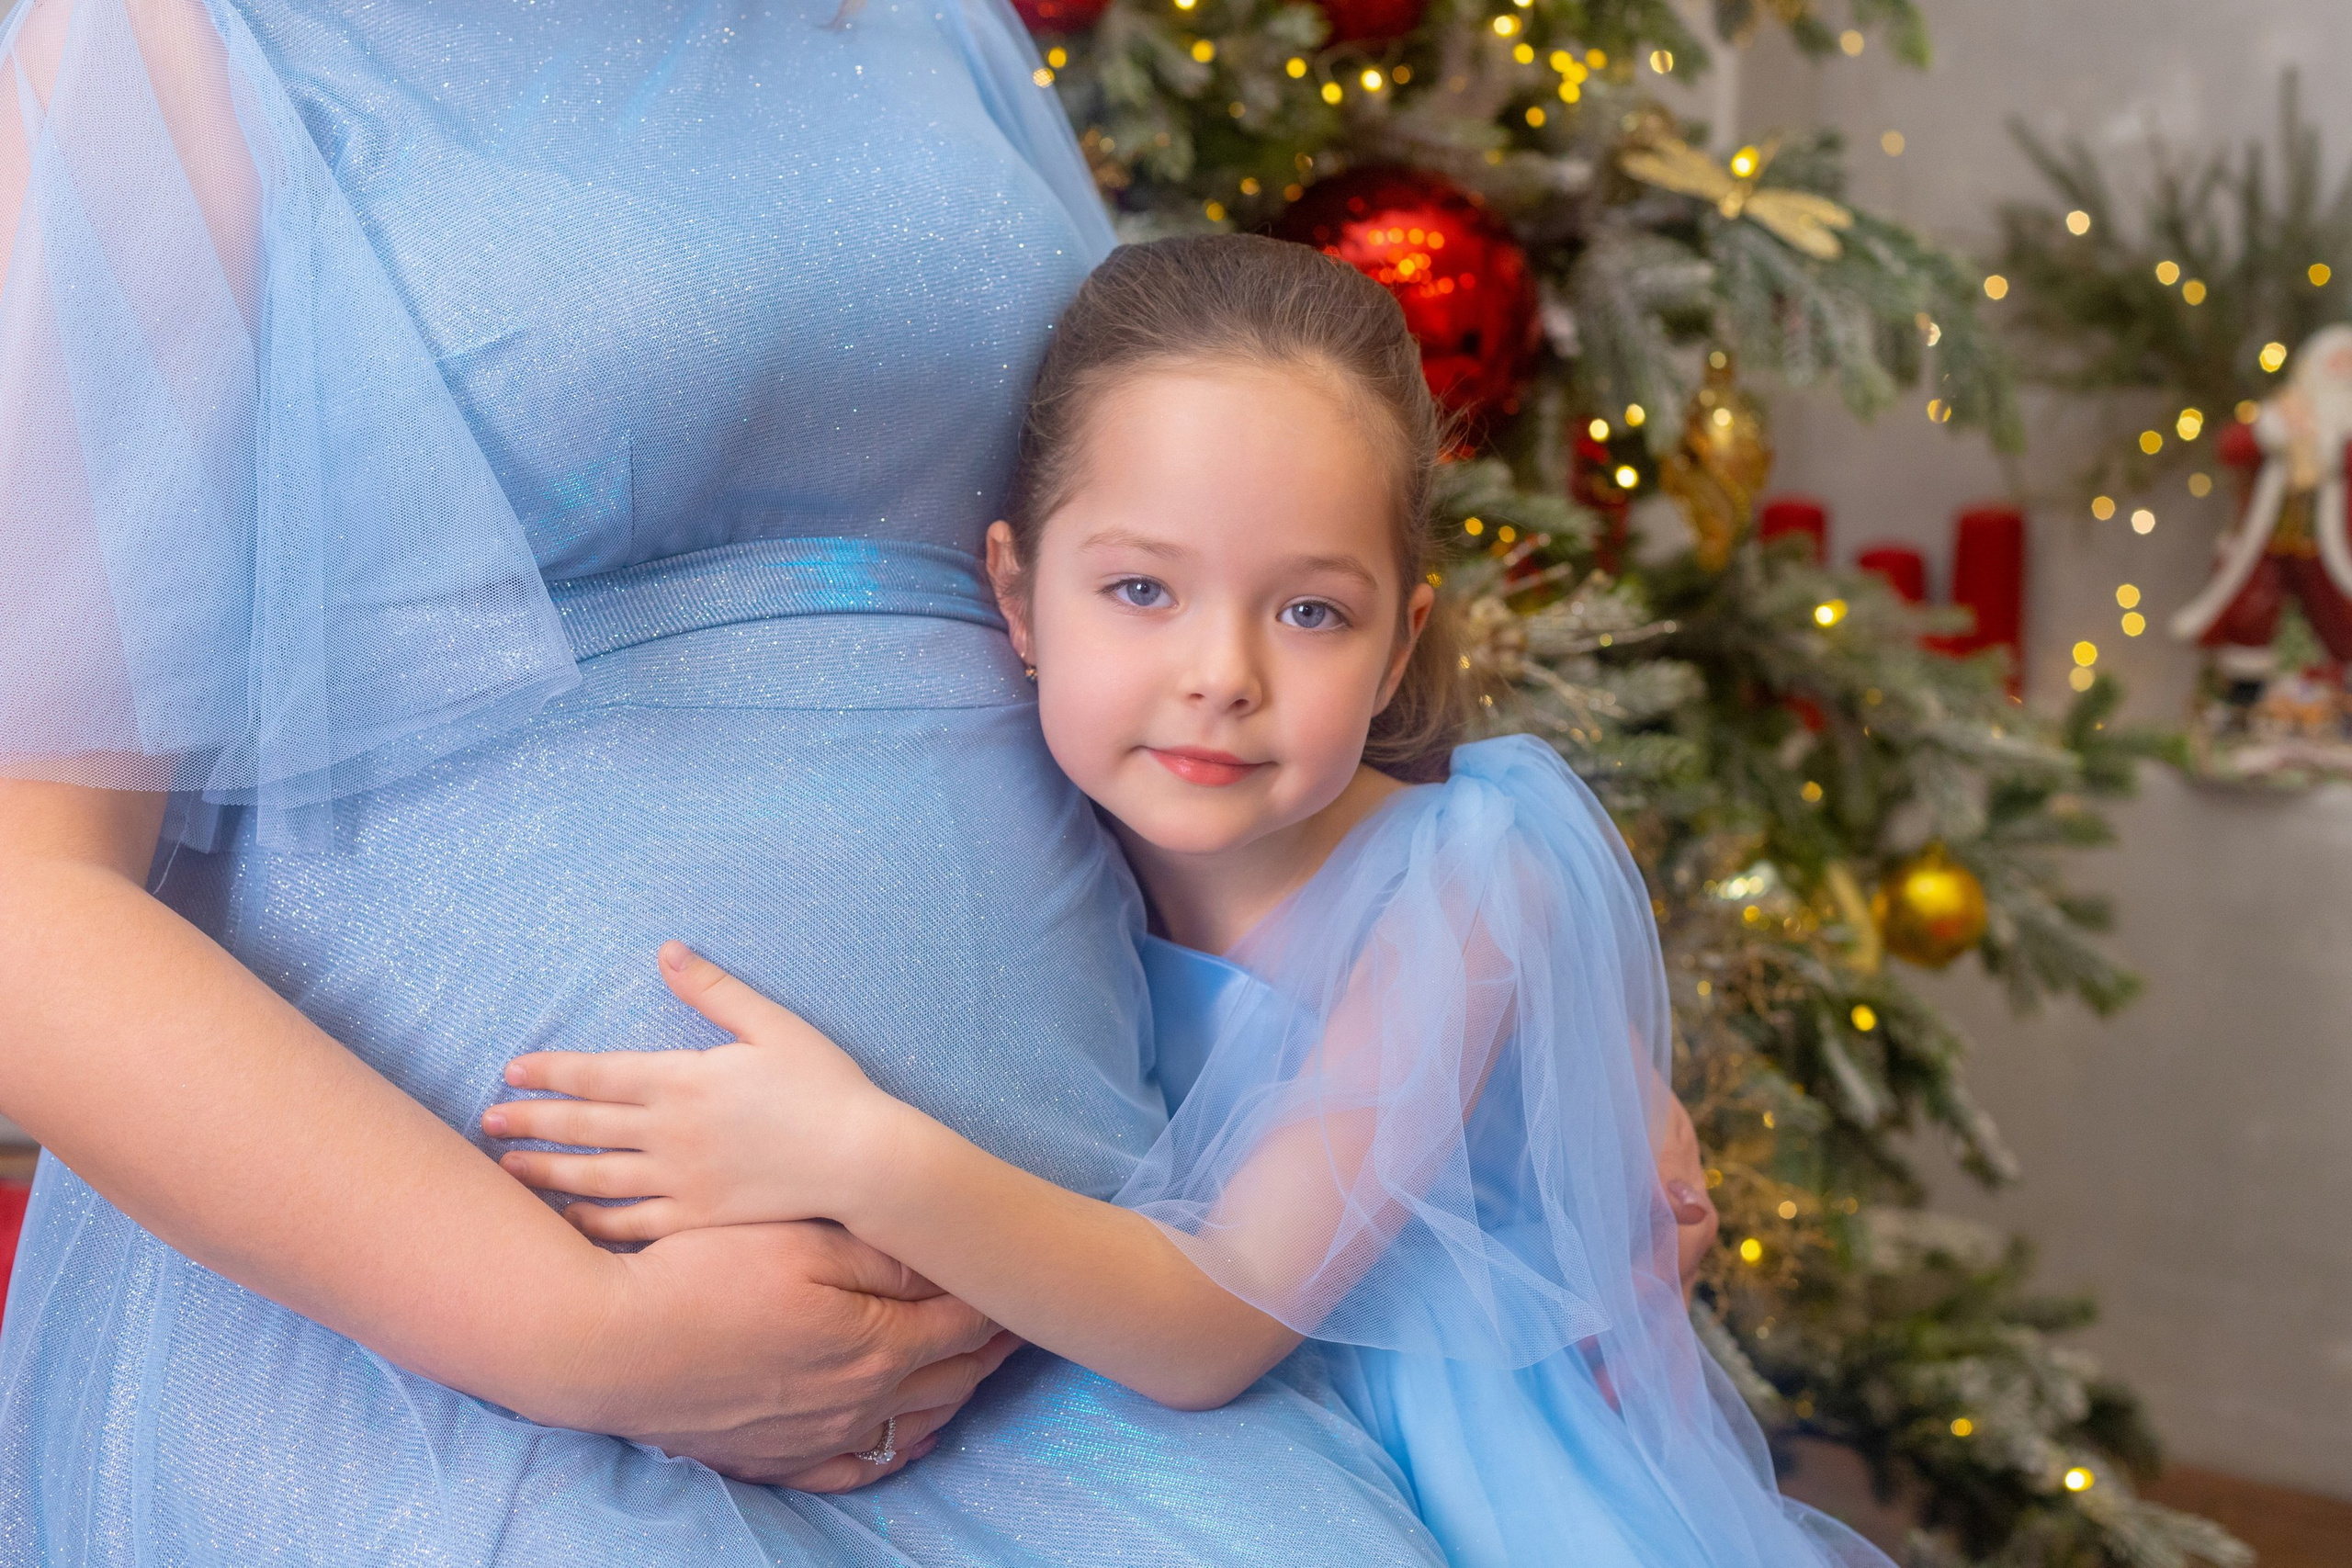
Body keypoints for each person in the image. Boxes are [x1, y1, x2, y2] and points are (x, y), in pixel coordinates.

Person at [0, 4, 1461, 1562]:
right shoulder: (163, 37)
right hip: (455, 1380)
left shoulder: (923, 22)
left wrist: (1465, 966)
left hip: (1074, 1321)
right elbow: (28, 901)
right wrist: (592, 1333)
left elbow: (1150, 621)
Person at [488, 235, 1875, 1567]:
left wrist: (851, 1153)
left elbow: (1215, 1323)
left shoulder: (1462, 890)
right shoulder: (1025, 834)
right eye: (1143, 588)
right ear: (1017, 601)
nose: (1221, 671)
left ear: (1401, 646)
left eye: (1311, 614)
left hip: (1465, 1485)